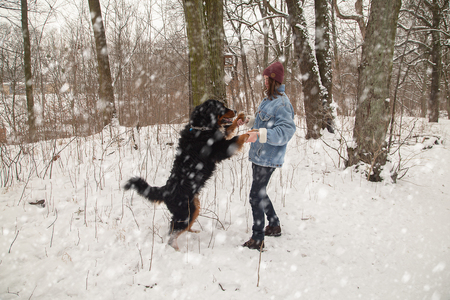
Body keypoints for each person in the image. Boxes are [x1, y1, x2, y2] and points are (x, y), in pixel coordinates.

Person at [238, 61, 296, 250]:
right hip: (259, 155)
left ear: (273, 80)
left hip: (268, 158)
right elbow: (263, 122)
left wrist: (259, 135)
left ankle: (257, 238)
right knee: (260, 192)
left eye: (265, 79)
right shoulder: (269, 100)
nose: (263, 82)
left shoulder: (282, 104)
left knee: (255, 195)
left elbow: (284, 132)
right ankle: (274, 224)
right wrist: (248, 121)